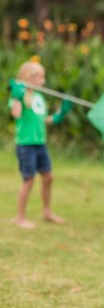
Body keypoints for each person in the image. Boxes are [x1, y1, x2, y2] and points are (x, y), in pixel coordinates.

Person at [8, 61, 72, 229]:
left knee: (48, 177)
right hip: (25, 145)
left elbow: (41, 120)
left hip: (40, 144)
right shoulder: (20, 95)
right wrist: (17, 97)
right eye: (40, 77)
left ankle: (47, 212)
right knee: (28, 180)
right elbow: (16, 114)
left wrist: (59, 115)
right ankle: (20, 218)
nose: (43, 81)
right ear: (28, 77)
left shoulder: (39, 97)